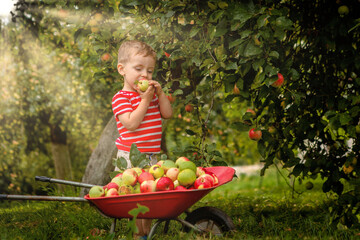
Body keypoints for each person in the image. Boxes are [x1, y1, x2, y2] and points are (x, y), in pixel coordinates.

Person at [111, 40, 173, 239]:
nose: (145, 75)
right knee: (137, 198)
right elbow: (130, 124)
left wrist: (160, 95)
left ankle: (146, 232)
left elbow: (168, 113)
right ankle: (139, 235)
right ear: (122, 69)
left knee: (149, 198)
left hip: (151, 157)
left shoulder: (151, 96)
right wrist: (145, 101)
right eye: (138, 68)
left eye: (150, 71)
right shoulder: (121, 98)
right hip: (131, 157)